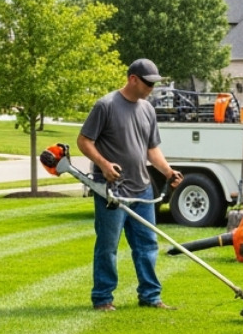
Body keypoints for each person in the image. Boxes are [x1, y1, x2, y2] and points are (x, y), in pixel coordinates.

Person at [77, 58, 184, 312]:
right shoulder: (106, 105)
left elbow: (151, 150)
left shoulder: (147, 109)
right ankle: (102, 298)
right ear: (132, 79)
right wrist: (103, 164)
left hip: (142, 189)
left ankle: (150, 296)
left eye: (154, 84)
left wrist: (169, 172)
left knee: (147, 245)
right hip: (112, 191)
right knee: (108, 246)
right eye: (148, 83)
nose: (151, 88)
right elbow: (83, 141)